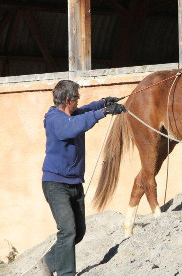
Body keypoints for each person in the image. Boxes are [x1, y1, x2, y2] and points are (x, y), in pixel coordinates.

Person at [38, 80, 125, 276]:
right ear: (68, 100)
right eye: (77, 98)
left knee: (78, 232)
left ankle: (49, 261)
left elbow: (85, 111)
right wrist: (103, 113)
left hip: (74, 183)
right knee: (67, 230)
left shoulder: (72, 113)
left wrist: (104, 103)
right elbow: (73, 127)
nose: (79, 101)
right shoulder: (55, 119)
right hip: (56, 184)